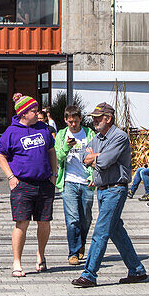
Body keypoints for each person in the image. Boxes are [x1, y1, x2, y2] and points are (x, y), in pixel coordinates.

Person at [72, 102, 147, 288]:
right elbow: (83, 155)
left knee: (101, 231)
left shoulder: (119, 137)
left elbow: (104, 162)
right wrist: (93, 156)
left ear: (108, 118)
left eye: (98, 117)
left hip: (115, 189)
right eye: (94, 117)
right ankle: (136, 269)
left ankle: (89, 274)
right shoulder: (98, 137)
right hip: (103, 189)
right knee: (115, 231)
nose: (94, 120)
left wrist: (94, 156)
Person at [0, 93, 57, 278]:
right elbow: (1, 156)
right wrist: (11, 177)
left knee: (44, 222)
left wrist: (54, 175)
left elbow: (51, 151)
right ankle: (17, 262)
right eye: (33, 110)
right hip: (22, 184)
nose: (37, 113)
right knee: (21, 223)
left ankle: (41, 254)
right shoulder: (11, 132)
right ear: (23, 113)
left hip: (44, 183)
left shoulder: (44, 129)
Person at [55, 104, 94, 266]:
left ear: (80, 120)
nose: (73, 125)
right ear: (65, 120)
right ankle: (73, 252)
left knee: (85, 219)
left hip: (86, 181)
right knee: (72, 219)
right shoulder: (62, 135)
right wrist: (66, 146)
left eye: (76, 122)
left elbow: (95, 156)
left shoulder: (89, 134)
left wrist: (94, 176)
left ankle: (81, 244)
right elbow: (57, 157)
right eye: (70, 122)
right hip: (69, 181)